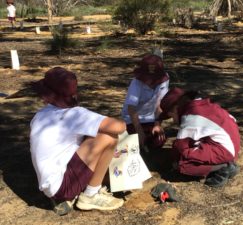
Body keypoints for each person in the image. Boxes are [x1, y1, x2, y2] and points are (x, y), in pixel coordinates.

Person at [30, 67, 126, 215]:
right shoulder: (75, 115)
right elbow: (119, 127)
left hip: (48, 183)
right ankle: (90, 195)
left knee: (94, 132)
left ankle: (77, 190)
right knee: (108, 137)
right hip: (61, 187)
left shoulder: (41, 114)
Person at [159, 87, 240, 187]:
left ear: (176, 108)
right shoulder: (201, 105)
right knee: (189, 152)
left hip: (225, 150)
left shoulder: (191, 115)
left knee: (183, 165)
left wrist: (175, 161)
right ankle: (224, 163)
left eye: (172, 116)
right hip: (231, 143)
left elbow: (180, 147)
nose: (173, 120)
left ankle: (223, 167)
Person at [121, 54, 169, 152]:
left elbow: (160, 104)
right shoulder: (136, 83)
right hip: (132, 120)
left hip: (151, 118)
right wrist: (139, 131)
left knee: (158, 140)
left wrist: (157, 124)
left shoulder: (164, 80)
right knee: (135, 142)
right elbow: (131, 108)